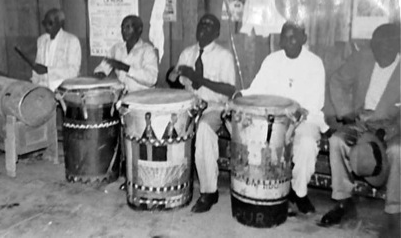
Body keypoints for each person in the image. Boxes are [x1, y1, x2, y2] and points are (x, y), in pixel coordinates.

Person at [320, 23, 400, 237]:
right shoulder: (362, 58)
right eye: (378, 47)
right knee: (337, 141)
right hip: (361, 120)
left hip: (394, 125)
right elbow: (337, 80)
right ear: (372, 46)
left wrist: (390, 126)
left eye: (389, 47)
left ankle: (394, 212)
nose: (382, 51)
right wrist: (345, 112)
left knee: (397, 151)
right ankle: (343, 202)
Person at [241, 21, 329, 215]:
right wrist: (241, 95)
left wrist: (298, 112)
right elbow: (256, 89)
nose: (288, 42)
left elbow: (316, 102)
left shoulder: (314, 63)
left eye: (293, 37)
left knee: (306, 143)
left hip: (306, 117)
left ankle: (299, 193)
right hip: (276, 118)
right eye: (284, 38)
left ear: (303, 39)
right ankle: (272, 191)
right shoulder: (272, 60)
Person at [168, 14, 237, 213]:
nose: (203, 28)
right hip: (190, 105)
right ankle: (170, 182)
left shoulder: (224, 56)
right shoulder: (187, 53)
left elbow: (229, 91)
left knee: (205, 129)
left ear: (217, 33)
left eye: (209, 25)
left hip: (214, 106)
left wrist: (199, 78)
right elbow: (177, 81)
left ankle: (209, 192)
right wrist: (173, 75)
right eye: (201, 23)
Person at [94, 15, 158, 93]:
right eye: (122, 27)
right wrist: (100, 73)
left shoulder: (147, 50)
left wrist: (126, 68)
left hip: (141, 96)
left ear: (139, 30)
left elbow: (151, 79)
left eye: (128, 27)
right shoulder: (116, 48)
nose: (124, 30)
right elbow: (103, 67)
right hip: (121, 95)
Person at [31, 8, 81, 91]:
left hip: (61, 90)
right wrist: (33, 85)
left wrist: (48, 70)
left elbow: (73, 71)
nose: (47, 26)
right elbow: (36, 69)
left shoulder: (71, 41)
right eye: (44, 23)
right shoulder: (41, 40)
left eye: (50, 23)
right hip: (41, 88)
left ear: (60, 23)